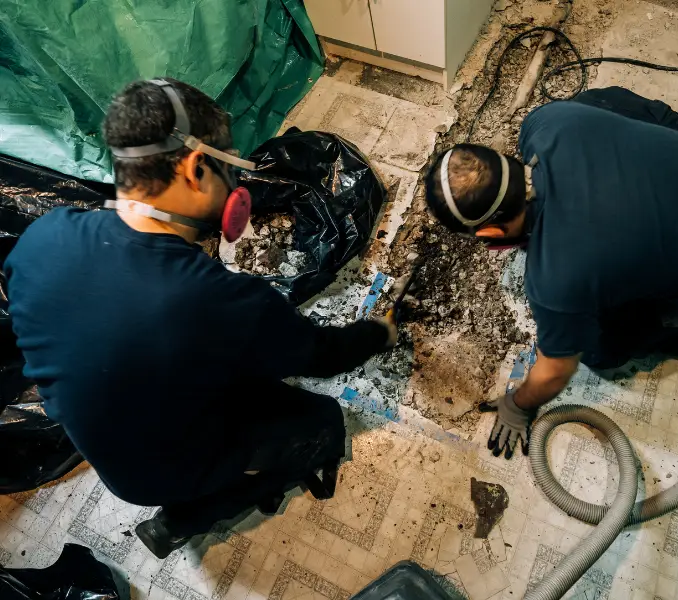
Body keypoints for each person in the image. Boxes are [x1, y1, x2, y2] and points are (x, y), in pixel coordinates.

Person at [5, 79, 396, 558]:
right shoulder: (212, 299)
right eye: (229, 166)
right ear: (195, 169)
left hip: (113, 456)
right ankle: (183, 519)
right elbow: (326, 357)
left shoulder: (44, 235)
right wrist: (379, 332)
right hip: (162, 470)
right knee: (321, 423)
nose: (237, 184)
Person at [424, 87, 678, 459]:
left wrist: (518, 404)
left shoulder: (555, 278)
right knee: (592, 104)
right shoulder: (547, 122)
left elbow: (555, 372)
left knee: (596, 350)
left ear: (490, 233)